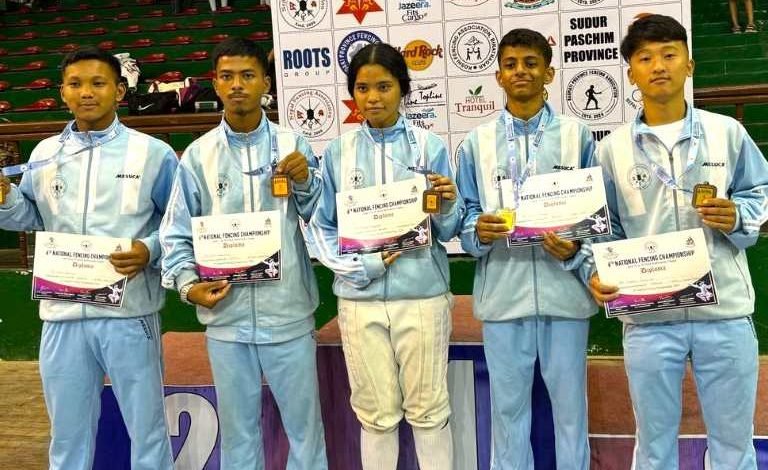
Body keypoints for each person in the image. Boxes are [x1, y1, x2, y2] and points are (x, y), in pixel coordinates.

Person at [585, 14, 768, 469]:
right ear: (631, 73)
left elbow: (760, 192)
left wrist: (738, 216)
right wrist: (595, 270)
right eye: (645, 58)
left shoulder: (727, 132)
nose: (658, 66)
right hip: (649, 320)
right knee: (653, 446)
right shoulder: (611, 149)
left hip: (723, 314)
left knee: (734, 446)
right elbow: (603, 228)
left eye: (669, 54)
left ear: (690, 65)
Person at [0, 47, 176, 470]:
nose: (86, 93)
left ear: (119, 91)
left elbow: (179, 224)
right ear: (62, 93)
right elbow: (31, 216)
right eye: (75, 84)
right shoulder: (45, 153)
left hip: (129, 314)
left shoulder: (153, 153)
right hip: (62, 315)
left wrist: (150, 249)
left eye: (98, 83)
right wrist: (5, 199)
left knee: (148, 432)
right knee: (67, 436)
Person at [159, 37, 327, 469]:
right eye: (227, 76)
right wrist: (188, 286)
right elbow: (175, 232)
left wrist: (306, 181)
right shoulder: (198, 156)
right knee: (239, 434)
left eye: (248, 75)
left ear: (265, 83)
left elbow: (321, 215)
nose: (237, 85)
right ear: (215, 84)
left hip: (288, 313)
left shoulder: (293, 144)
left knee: (305, 431)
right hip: (226, 318)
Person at [306, 42, 462, 470]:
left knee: (429, 411)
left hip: (423, 297)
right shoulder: (338, 153)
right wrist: (362, 267)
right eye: (362, 88)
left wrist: (447, 204)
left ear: (403, 89)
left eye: (384, 86)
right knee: (376, 416)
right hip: (360, 301)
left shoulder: (429, 147)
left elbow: (448, 229)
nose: (372, 97)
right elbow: (321, 227)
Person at [454, 28, 597, 470]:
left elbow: (596, 219)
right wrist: (479, 231)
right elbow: (464, 217)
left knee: (571, 414)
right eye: (511, 64)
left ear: (548, 73)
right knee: (508, 413)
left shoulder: (577, 136)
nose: (521, 71)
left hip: (565, 296)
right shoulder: (476, 143)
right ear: (498, 76)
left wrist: (576, 246)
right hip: (504, 297)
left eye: (531, 63)